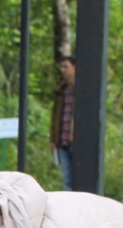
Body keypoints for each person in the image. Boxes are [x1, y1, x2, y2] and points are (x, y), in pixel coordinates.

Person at [50, 55, 76, 190]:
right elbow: (55, 116)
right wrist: (53, 138)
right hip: (62, 141)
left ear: (74, 67)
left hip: (76, 141)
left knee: (79, 177)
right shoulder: (61, 91)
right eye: (61, 67)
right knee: (67, 179)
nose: (62, 70)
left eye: (66, 66)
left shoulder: (81, 90)